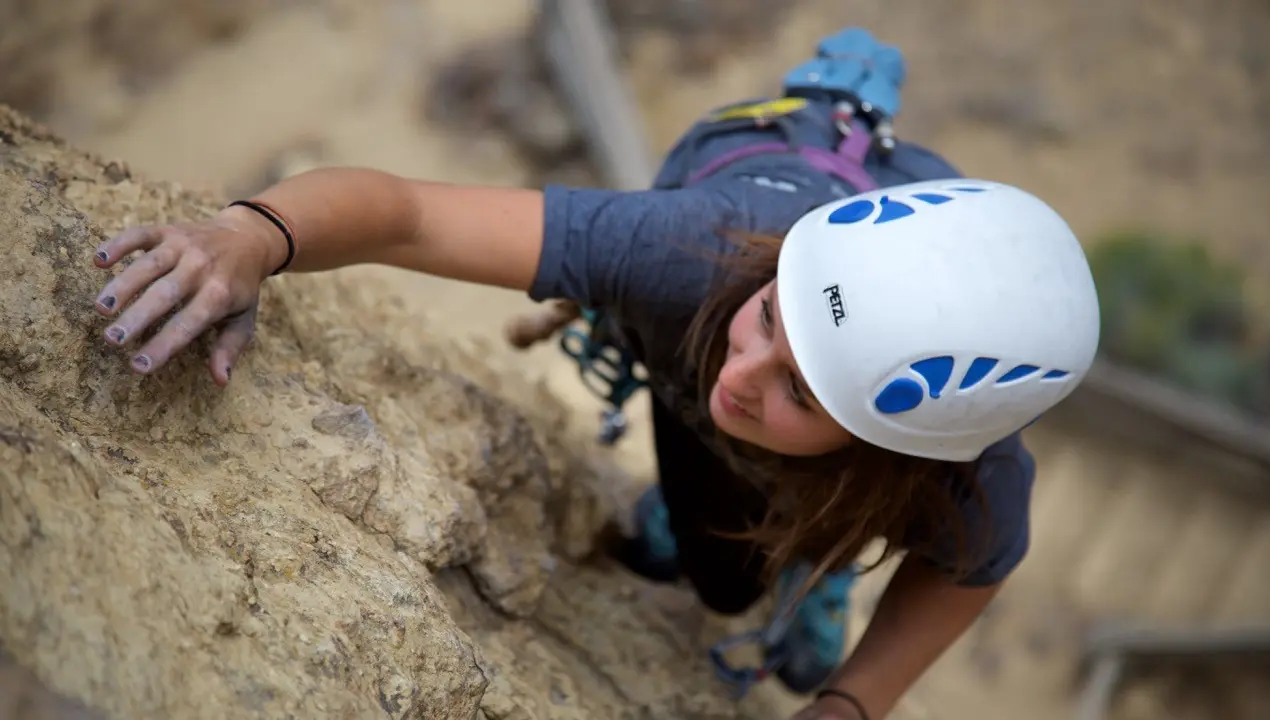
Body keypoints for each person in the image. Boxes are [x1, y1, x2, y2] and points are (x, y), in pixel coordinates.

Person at [87, 28, 1100, 720]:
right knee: (718, 567)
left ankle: (816, 560)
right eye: (769, 321)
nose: (742, 373)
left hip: (867, 302)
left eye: (800, 387)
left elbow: (968, 568)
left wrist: (850, 701)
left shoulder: (967, 485)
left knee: (795, 528)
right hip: (755, 172)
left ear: (896, 448)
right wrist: (251, 235)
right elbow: (411, 213)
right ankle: (834, 99)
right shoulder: (689, 260)